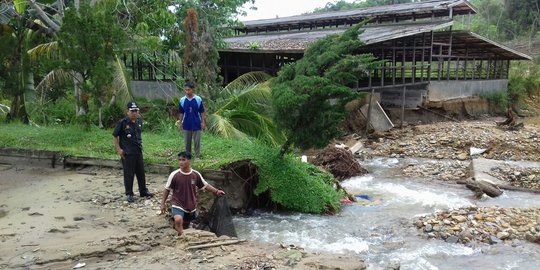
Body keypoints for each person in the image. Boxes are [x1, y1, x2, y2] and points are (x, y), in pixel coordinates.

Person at [160, 151, 225, 236]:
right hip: (177, 203)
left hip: (190, 205)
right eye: (179, 160)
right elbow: (167, 189)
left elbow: (205, 185)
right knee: (178, 220)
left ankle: (179, 235)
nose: (181, 162)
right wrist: (162, 203)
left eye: (183, 160)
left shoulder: (195, 174)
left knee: (186, 225)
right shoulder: (174, 175)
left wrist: (216, 191)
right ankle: (181, 237)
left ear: (190, 161)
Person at [113, 101, 153, 203]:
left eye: (136, 111)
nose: (134, 113)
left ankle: (143, 191)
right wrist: (119, 149)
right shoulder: (123, 123)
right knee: (129, 174)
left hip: (138, 151)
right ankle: (129, 193)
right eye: (132, 111)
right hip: (127, 152)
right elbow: (115, 135)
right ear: (128, 112)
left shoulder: (139, 121)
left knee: (140, 172)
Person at [177, 81, 206, 159]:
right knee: (187, 142)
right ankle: (188, 156)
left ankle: (197, 156)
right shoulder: (182, 100)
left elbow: (202, 111)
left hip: (196, 123)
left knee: (197, 141)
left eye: (188, 90)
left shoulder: (198, 99)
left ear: (193, 89)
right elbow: (181, 112)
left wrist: (203, 122)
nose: (187, 91)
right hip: (186, 123)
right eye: (186, 90)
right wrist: (180, 122)